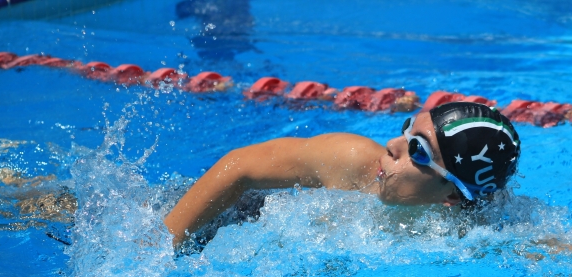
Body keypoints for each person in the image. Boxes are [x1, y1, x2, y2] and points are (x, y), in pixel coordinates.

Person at [163, 102, 521, 247]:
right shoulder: (352, 160)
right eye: (407, 128)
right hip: (215, 212)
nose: (392, 144)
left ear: (452, 196)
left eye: (418, 150)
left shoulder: (468, 235)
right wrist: (158, 244)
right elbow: (240, 166)